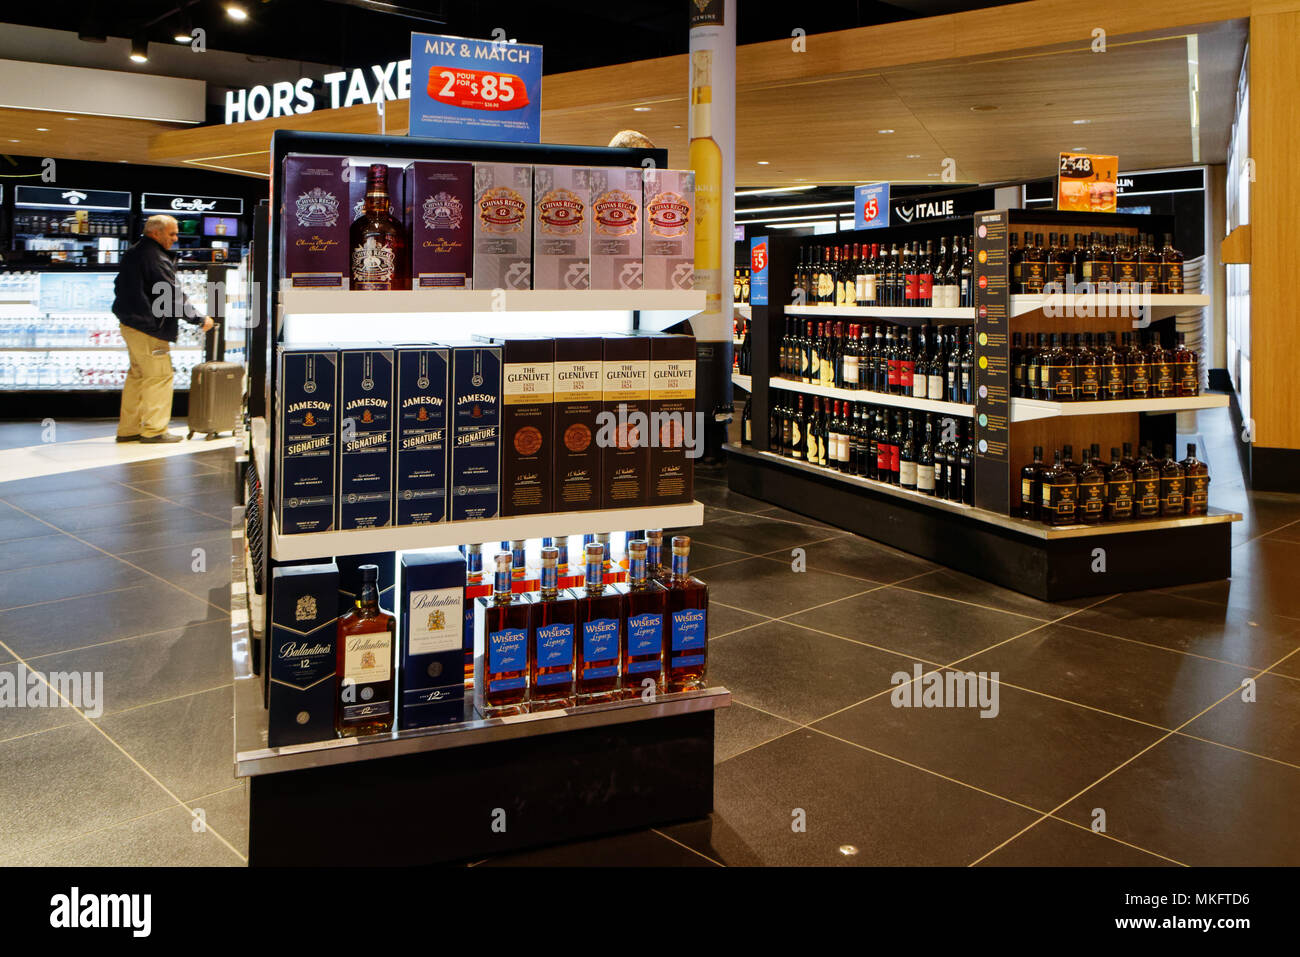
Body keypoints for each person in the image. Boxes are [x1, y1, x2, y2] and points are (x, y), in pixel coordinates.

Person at [112, 214, 213, 443]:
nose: (176, 238)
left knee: (138, 376)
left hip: (131, 324)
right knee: (159, 376)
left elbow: (119, 285)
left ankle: (129, 429)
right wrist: (198, 319)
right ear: (155, 233)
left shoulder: (135, 252)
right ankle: (154, 431)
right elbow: (170, 296)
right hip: (149, 327)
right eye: (172, 233)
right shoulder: (155, 257)